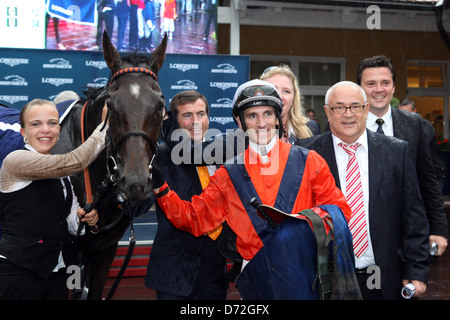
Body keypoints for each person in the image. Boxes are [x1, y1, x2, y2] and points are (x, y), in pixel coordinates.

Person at [152, 80, 360, 300]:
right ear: (240, 122)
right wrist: (160, 188)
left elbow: (339, 210)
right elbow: (194, 218)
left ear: (278, 118)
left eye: (268, 114)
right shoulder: (227, 174)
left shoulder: (311, 162)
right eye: (252, 116)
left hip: (306, 277)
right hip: (258, 279)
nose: (262, 123)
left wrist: (294, 231)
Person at [296, 81, 430, 299]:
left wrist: (417, 270)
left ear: (366, 109)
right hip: (325, 278)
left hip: (382, 274)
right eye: (339, 107)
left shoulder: (397, 151)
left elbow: (414, 216)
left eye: (355, 106)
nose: (348, 114)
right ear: (328, 113)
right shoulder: (304, 154)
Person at [0, 99, 108, 300]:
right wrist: (105, 127)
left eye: (52, 123)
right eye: (36, 124)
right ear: (23, 133)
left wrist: (83, 219)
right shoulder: (15, 161)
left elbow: (71, 224)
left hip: (56, 274)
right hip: (17, 274)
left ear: (59, 128)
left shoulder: (62, 173)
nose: (45, 130)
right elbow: (76, 161)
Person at [356, 55, 448, 256]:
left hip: (406, 235)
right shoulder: (347, 125)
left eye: (385, 83)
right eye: (370, 83)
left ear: (394, 87)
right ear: (360, 89)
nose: (379, 89)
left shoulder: (415, 124)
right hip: (359, 234)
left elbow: (428, 180)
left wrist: (439, 229)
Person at [145, 90, 228, 300]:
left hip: (214, 276)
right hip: (174, 275)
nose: (196, 121)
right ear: (175, 121)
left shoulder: (222, 156)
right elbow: (139, 202)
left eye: (201, 114)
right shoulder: (160, 156)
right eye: (187, 115)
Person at [260, 65, 320, 144]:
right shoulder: (248, 133)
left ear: (293, 99)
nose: (280, 96)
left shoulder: (311, 128)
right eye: (273, 90)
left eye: (286, 91)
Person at [399, 97, 447, 192]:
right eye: (401, 113)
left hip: (433, 174)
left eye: (408, 113)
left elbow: (416, 144)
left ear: (415, 111)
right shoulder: (401, 126)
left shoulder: (424, 125)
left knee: (431, 205)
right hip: (416, 176)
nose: (405, 116)